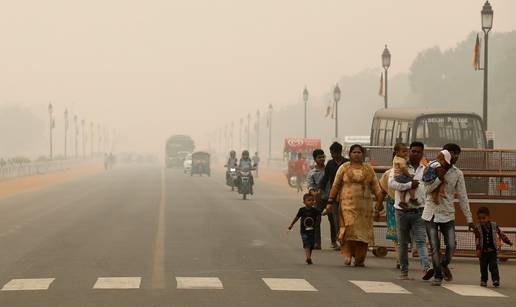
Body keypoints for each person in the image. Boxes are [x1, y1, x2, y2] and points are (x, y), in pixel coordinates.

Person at [423, 143, 475, 286]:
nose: (455, 156)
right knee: (434, 246)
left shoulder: (458, 173)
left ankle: (442, 264)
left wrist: (469, 219)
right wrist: (440, 177)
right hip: (431, 213)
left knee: (451, 245)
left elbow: (463, 196)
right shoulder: (431, 168)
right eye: (452, 153)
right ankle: (438, 276)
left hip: (448, 214)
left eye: (458, 153)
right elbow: (426, 189)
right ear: (444, 153)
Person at [326, 144, 383, 266]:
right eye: (354, 152)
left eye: (359, 152)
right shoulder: (344, 168)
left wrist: (379, 202)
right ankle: (347, 255)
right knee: (348, 229)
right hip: (347, 205)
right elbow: (335, 185)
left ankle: (359, 258)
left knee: (363, 232)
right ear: (350, 154)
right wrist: (330, 201)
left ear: (363, 154)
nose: (357, 154)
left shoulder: (369, 169)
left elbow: (376, 187)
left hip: (365, 208)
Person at [389, 142, 433, 280]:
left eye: (418, 152)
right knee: (403, 243)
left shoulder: (426, 168)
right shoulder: (399, 165)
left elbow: (430, 186)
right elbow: (392, 183)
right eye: (413, 151)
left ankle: (426, 267)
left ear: (422, 153)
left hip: (419, 210)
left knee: (420, 241)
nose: (415, 154)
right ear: (409, 152)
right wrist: (409, 184)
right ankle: (404, 271)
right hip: (401, 211)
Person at [318, 142, 349, 250]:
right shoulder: (330, 164)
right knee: (336, 220)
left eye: (332, 152)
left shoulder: (347, 163)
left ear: (339, 152)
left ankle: (348, 240)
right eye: (330, 152)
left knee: (347, 219)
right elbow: (326, 178)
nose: (331, 154)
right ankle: (340, 240)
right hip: (334, 196)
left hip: (347, 195)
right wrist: (320, 189)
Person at [473, 207, 513, 287]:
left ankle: (495, 280)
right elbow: (477, 239)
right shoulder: (477, 228)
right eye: (479, 219)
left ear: (488, 217)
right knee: (483, 267)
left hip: (492, 252)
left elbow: (501, 234)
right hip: (483, 252)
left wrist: (508, 242)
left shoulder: (494, 226)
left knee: (493, 266)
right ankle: (483, 280)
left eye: (483, 218)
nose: (481, 220)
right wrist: (477, 249)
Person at [306, 149, 337, 250]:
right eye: (319, 157)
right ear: (315, 159)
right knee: (316, 220)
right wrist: (314, 193)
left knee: (333, 220)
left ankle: (334, 242)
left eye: (323, 157)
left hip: (331, 199)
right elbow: (310, 186)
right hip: (319, 200)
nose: (322, 159)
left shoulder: (330, 169)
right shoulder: (312, 173)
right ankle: (316, 243)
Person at [288, 193, 327, 264]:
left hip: (312, 231)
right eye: (309, 200)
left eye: (313, 200)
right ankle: (308, 258)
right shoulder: (302, 210)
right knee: (306, 244)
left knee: (311, 245)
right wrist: (291, 225)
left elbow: (322, 213)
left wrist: (327, 211)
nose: (311, 202)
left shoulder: (315, 210)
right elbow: (296, 218)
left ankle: (309, 257)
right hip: (304, 231)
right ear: (304, 202)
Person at [378, 167, 399, 269]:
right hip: (394, 205)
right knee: (397, 234)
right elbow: (382, 191)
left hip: (401, 205)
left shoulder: (388, 173)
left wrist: (378, 205)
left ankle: (400, 258)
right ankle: (400, 258)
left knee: (397, 233)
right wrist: (378, 205)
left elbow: (382, 191)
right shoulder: (388, 173)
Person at [392, 143, 418, 209]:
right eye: (403, 152)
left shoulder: (396, 158)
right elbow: (404, 170)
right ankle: (412, 199)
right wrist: (409, 176)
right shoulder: (401, 160)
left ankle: (402, 202)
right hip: (400, 176)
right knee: (412, 184)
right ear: (397, 152)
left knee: (403, 189)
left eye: (406, 151)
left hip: (397, 176)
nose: (405, 153)